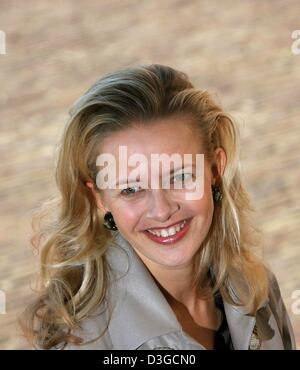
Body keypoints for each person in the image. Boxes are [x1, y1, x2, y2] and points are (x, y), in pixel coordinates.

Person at [21, 64, 296, 350]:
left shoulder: (256, 287)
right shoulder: (81, 341)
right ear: (99, 199)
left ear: (215, 170)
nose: (162, 210)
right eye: (131, 189)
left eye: (179, 177)